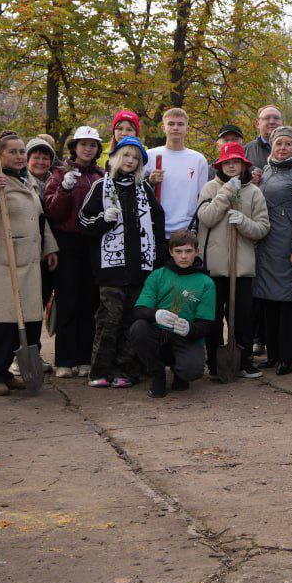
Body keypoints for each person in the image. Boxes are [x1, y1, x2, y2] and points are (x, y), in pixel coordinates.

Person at [0, 132, 59, 396]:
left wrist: (50, 247)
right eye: (14, 152)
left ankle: (8, 372)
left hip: (29, 260)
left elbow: (39, 217)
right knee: (2, 321)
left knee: (24, 321)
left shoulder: (27, 181)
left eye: (22, 151)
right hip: (3, 261)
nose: (20, 156)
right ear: (1, 154)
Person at [79, 135, 165, 388]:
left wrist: (157, 261)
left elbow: (158, 226)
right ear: (116, 157)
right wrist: (104, 219)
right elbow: (83, 221)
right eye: (126, 155)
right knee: (109, 320)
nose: (130, 160)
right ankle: (101, 370)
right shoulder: (100, 187)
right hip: (110, 271)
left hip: (140, 270)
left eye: (136, 158)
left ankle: (127, 370)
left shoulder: (145, 190)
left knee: (132, 320)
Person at [196, 142, 271, 378]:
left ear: (243, 165)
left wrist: (244, 223)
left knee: (242, 317)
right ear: (220, 164)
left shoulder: (254, 192)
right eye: (227, 162)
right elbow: (206, 217)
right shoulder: (210, 188)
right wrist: (227, 192)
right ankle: (215, 363)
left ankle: (244, 359)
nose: (231, 166)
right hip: (214, 266)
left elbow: (262, 228)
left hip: (242, 267)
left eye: (235, 162)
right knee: (214, 317)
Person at [253, 127, 292, 375]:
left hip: (289, 249)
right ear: (271, 146)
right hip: (266, 247)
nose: (282, 148)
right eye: (278, 144)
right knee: (269, 303)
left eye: (288, 144)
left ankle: (288, 357)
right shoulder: (267, 170)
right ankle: (273, 355)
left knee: (288, 304)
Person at [43, 126, 104, 378]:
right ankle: (65, 360)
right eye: (83, 144)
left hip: (92, 242)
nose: (88, 149)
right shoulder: (60, 174)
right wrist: (65, 190)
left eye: (92, 145)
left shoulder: (102, 175)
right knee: (67, 299)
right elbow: (52, 212)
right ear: (74, 147)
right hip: (67, 242)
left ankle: (84, 358)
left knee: (89, 301)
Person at [130, 231, 216, 398]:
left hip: (185, 337)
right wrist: (155, 314)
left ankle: (180, 373)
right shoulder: (157, 275)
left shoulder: (206, 282)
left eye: (188, 251)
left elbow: (206, 323)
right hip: (158, 334)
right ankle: (157, 374)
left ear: (196, 251)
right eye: (178, 251)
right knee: (138, 328)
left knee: (192, 370)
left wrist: (190, 329)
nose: (183, 256)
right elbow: (138, 310)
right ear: (171, 252)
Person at [145, 107, 209, 236]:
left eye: (180, 124)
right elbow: (137, 189)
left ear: (187, 129)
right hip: (155, 228)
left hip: (186, 230)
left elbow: (203, 197)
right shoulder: (149, 156)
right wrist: (150, 181)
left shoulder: (198, 159)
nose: (175, 128)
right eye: (171, 124)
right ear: (163, 128)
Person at [24, 136, 57, 367]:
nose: (41, 161)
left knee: (42, 303)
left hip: (52, 252)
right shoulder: (22, 183)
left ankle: (34, 352)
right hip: (29, 253)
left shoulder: (55, 181)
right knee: (28, 306)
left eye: (46, 157)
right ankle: (21, 355)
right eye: (36, 157)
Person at [244, 105, 284, 177]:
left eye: (276, 118)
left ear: (282, 123)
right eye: (267, 118)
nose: (272, 122)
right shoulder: (245, 151)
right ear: (257, 123)